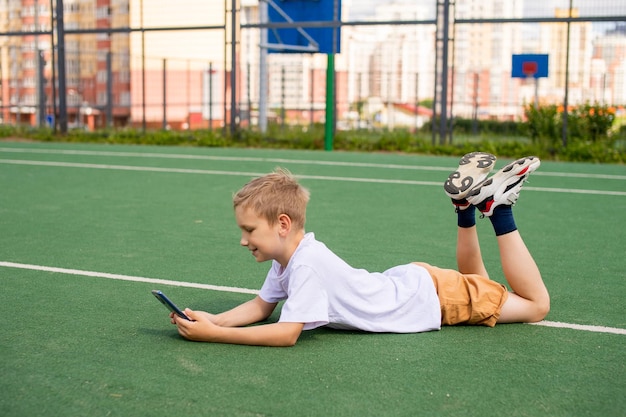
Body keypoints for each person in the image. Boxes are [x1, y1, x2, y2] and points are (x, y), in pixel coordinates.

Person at [169, 152, 550, 346]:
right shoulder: (292, 258)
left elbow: (285, 334)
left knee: (535, 306)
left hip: (433, 296)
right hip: (421, 286)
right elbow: (260, 306)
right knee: (477, 283)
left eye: (249, 229)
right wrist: (212, 319)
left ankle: (497, 210)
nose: (243, 239)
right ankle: (465, 207)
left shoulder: (306, 265)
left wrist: (214, 335)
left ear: (282, 225)